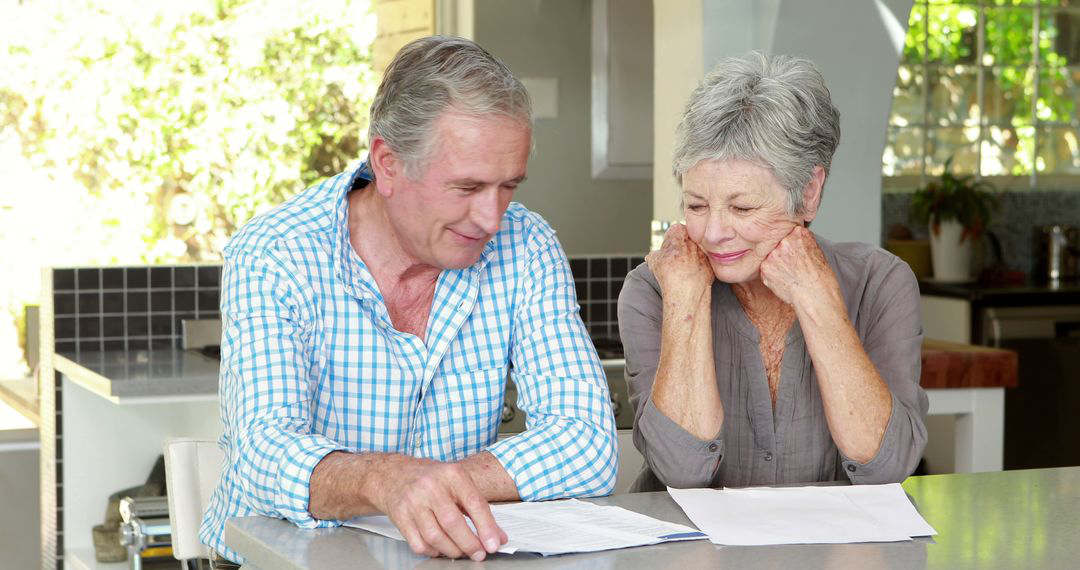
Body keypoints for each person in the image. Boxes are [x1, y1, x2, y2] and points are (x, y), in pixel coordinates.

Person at [200, 35, 617, 564]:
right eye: (467, 188)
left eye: (509, 186)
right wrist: (382, 480)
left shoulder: (527, 245)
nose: (492, 218)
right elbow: (263, 455)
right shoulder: (277, 253)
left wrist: (426, 488)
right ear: (388, 163)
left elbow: (587, 442)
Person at [618, 52, 927, 493]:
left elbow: (887, 466)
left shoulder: (880, 282)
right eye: (696, 206)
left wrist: (817, 300)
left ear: (809, 193)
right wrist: (686, 298)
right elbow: (681, 469)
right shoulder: (652, 290)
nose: (714, 233)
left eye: (742, 208)